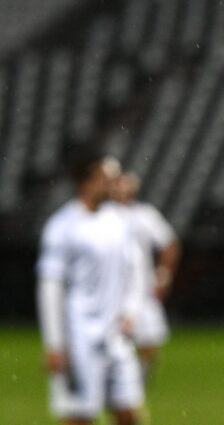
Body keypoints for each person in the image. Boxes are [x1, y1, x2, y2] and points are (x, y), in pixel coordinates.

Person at [36, 148, 146, 425]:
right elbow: (50, 287)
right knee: (79, 416)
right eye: (104, 179)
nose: (111, 184)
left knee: (128, 412)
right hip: (79, 338)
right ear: (85, 182)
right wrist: (54, 344)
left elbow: (136, 270)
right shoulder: (62, 226)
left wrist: (131, 310)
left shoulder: (120, 221)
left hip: (116, 336)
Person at [111, 171, 182, 384]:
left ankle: (138, 383)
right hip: (111, 289)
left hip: (141, 289)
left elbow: (170, 244)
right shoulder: (104, 215)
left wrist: (163, 275)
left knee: (149, 340)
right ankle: (118, 381)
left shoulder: (144, 215)